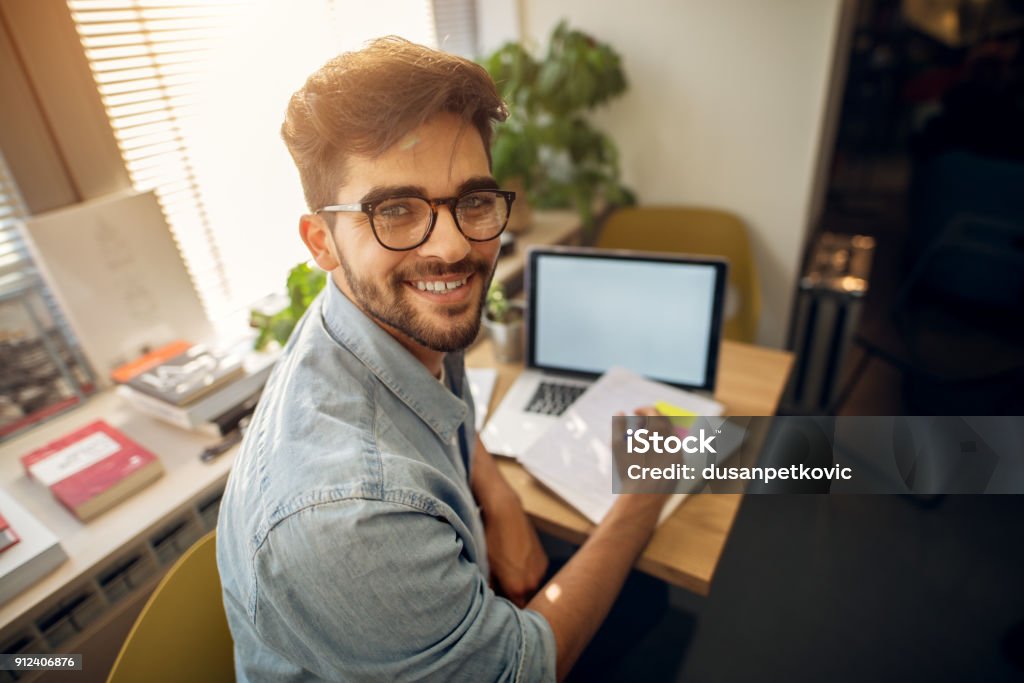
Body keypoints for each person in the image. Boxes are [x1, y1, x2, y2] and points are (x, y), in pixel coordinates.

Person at [216, 36, 669, 682]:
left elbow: (437, 408)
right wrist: (642, 493)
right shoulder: (346, 518)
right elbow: (524, 668)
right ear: (322, 241)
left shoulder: (393, 324)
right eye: (395, 210)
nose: (454, 247)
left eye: (473, 201)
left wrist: (501, 496)